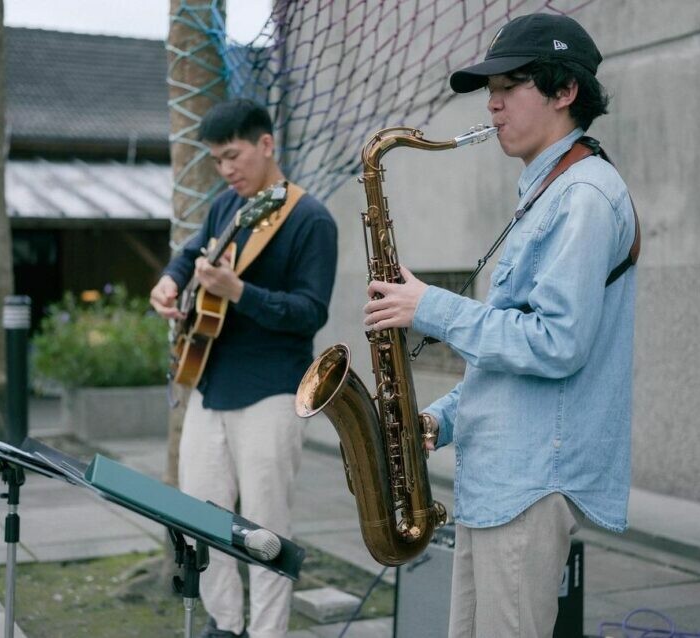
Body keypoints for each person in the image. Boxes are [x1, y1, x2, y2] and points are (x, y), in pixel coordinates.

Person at [364, 13, 637, 638]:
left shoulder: (584, 197)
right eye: (489, 91)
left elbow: (557, 345)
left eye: (509, 86)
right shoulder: (547, 193)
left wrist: (428, 307)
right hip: (499, 479)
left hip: (529, 482)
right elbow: (512, 352)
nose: (491, 105)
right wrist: (441, 419)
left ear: (564, 91)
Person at [150, 98, 338, 638]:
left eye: (233, 156)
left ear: (266, 144)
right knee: (201, 518)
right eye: (216, 160)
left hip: (273, 392)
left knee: (266, 528)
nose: (226, 169)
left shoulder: (311, 219)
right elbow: (189, 254)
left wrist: (240, 292)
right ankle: (224, 625)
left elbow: (310, 312)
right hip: (209, 386)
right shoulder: (225, 207)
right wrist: (169, 279)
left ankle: (268, 632)